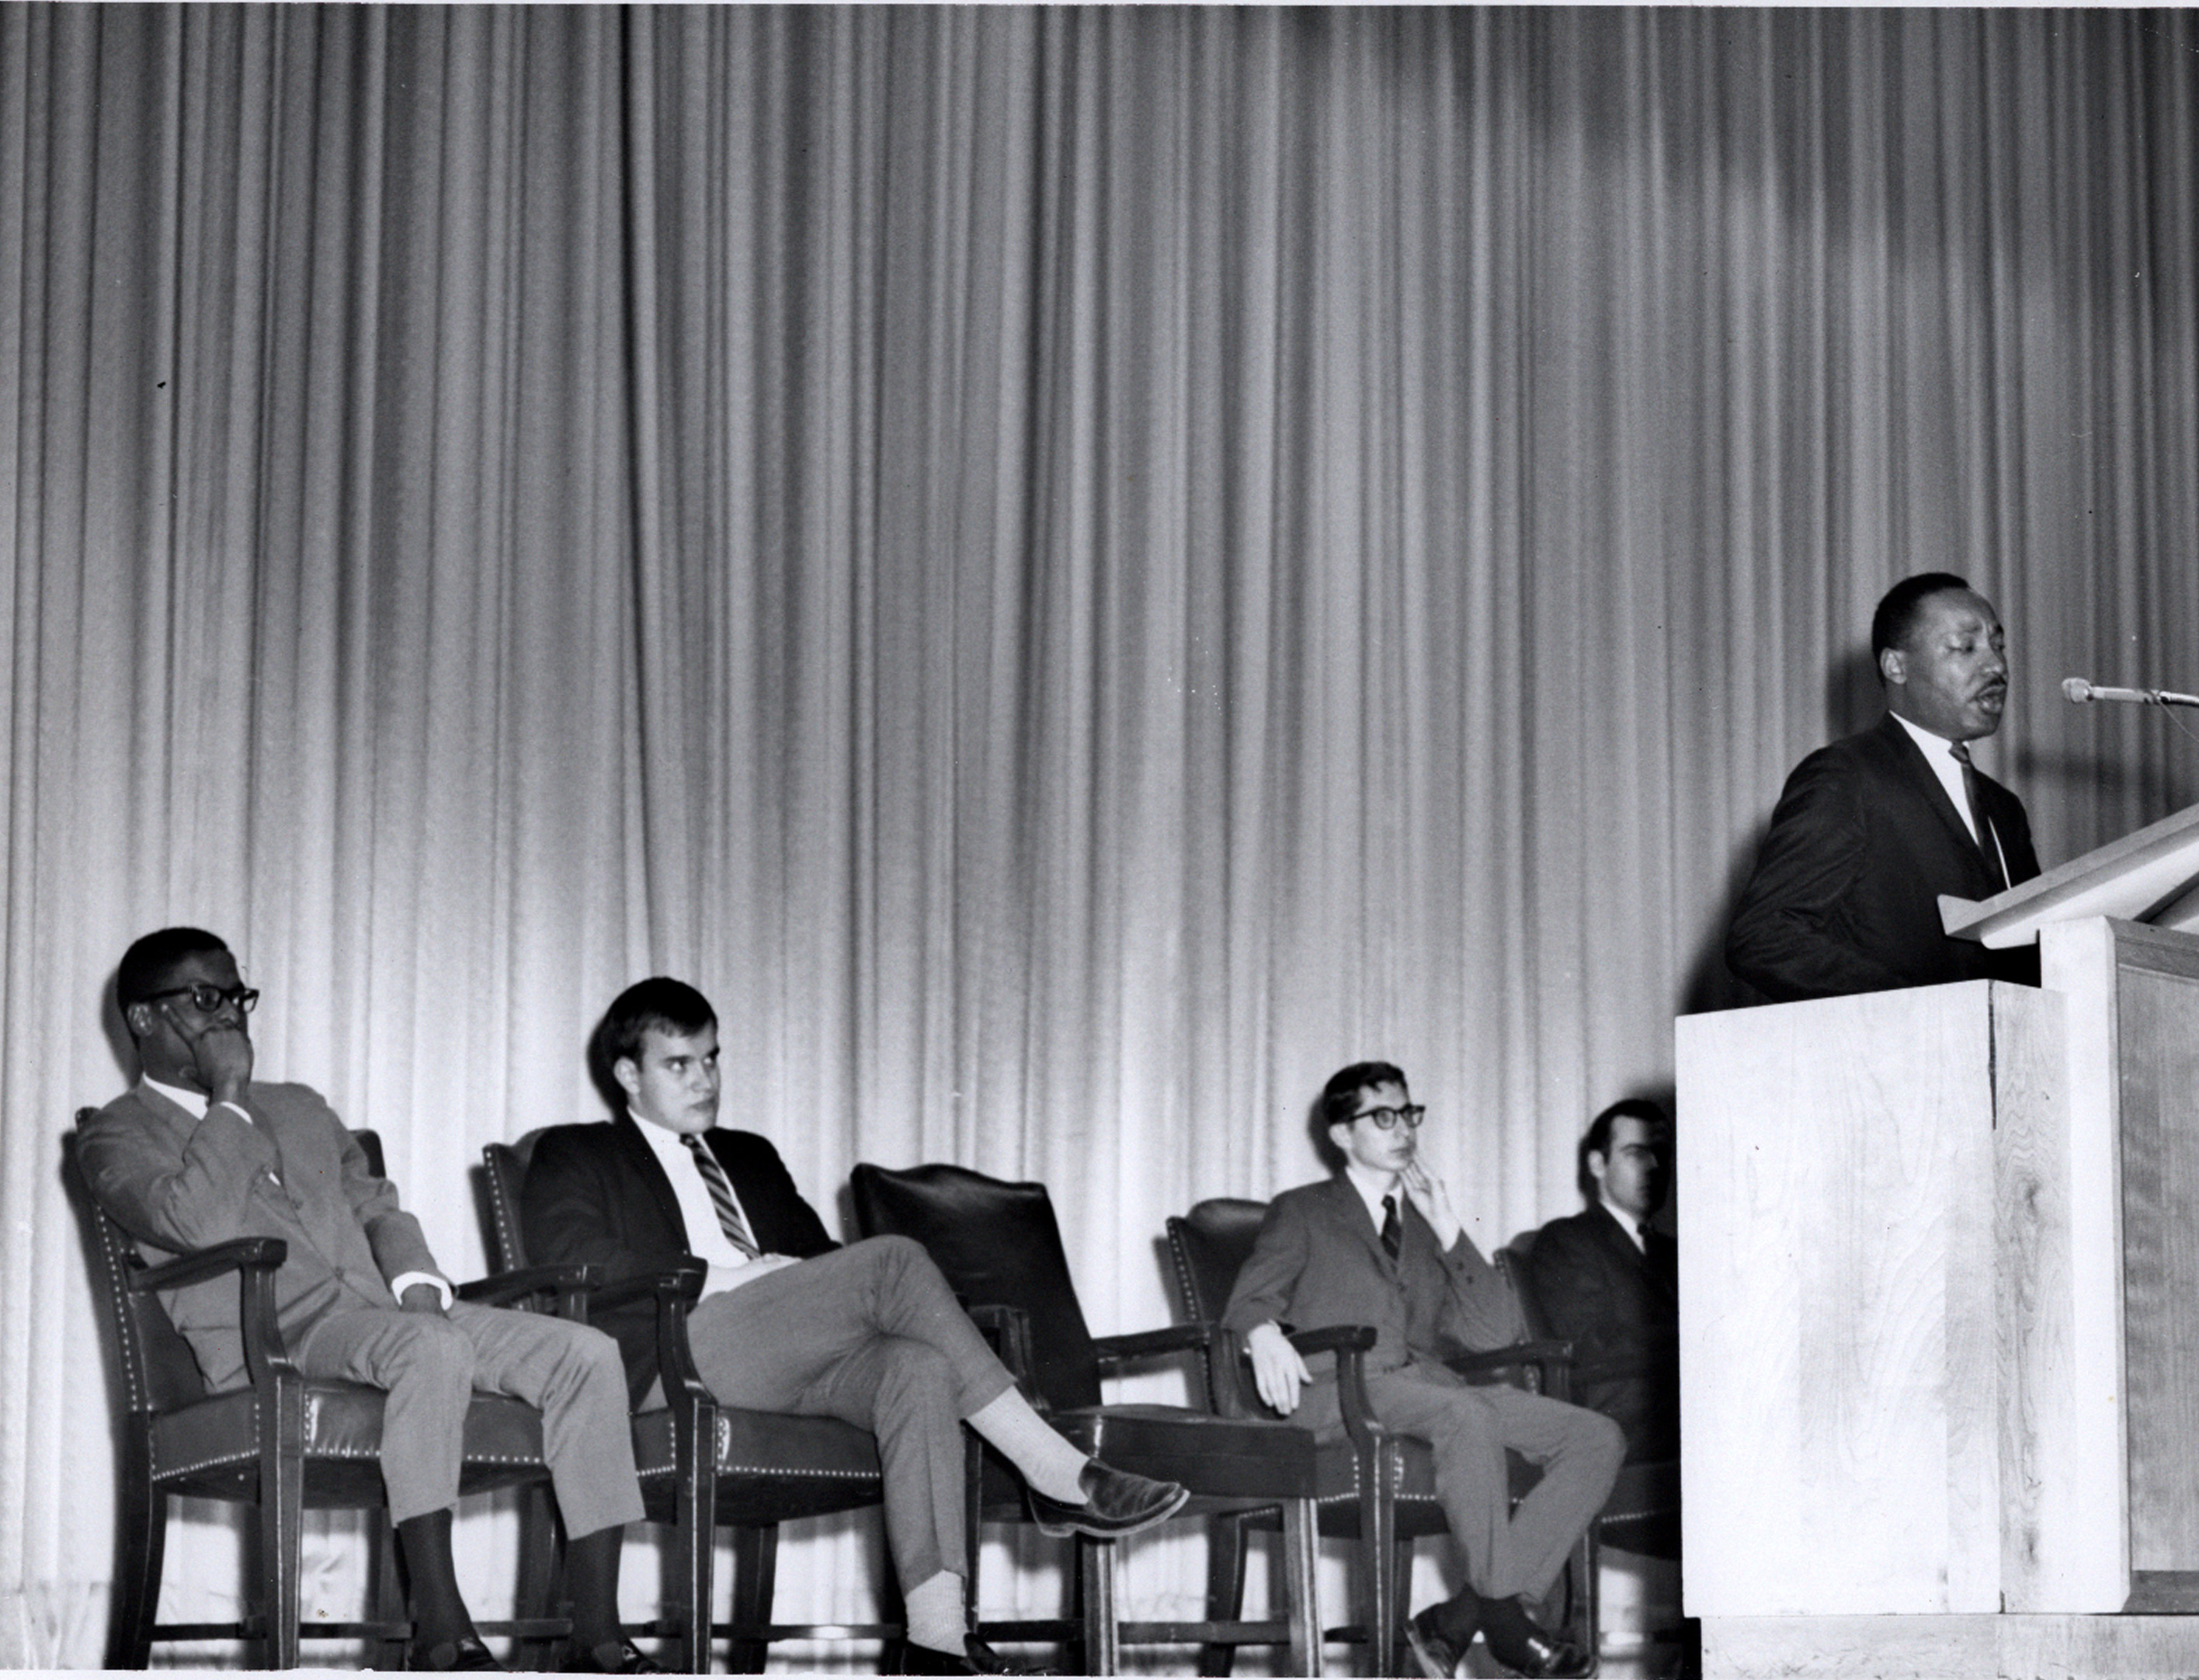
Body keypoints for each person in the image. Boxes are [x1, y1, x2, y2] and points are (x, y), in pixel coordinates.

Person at [518, 978, 1190, 1678]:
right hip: (676, 1352)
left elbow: (824, 1264)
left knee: (918, 1368)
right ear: (629, 1075)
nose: (704, 1080)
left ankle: (937, 1639)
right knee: (894, 1259)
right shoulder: (577, 1150)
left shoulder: (749, 1156)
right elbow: (575, 1257)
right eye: (679, 1064)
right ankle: (1054, 1469)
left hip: (784, 1356)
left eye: (712, 1059)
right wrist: (723, 1277)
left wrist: (803, 1281)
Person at [78, 929, 655, 1675]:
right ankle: (442, 1631)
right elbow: (197, 1222)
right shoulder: (116, 1134)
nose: (228, 1016)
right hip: (275, 1341)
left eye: (237, 998)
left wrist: (417, 1280)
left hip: (387, 1316)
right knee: (430, 1347)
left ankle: (597, 1634)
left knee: (586, 1352)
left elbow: (377, 1206)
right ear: (142, 1018)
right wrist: (228, 1097)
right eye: (203, 998)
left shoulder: (299, 1106)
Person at [1222, 1062, 1621, 1680]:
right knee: (1466, 1415)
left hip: (1424, 1387)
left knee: (1595, 1436)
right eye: (1383, 1117)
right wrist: (1262, 1331)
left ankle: (1461, 1618)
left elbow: (1494, 1333)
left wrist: (1448, 1226)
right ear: (1342, 1134)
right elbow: (1250, 1297)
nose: (1404, 1129)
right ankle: (1507, 1621)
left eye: (1409, 1114)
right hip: (1342, 1391)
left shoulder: (1421, 1225)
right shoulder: (1302, 1210)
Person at [1725, 572, 2041, 1003]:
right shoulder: (1847, 777)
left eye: (1998, 646)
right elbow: (1764, 935)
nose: (1997, 666)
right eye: (1965, 647)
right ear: (1896, 666)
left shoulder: (2004, 809)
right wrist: (1919, 1007)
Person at [1520, 1100, 1678, 1471]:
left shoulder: (1676, 1252)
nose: (1654, 1167)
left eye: (1661, 1154)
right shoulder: (1568, 1240)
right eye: (1636, 1153)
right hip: (1623, 1417)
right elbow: (1594, 1343)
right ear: (1597, 1164)